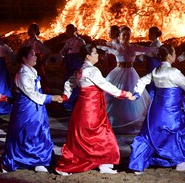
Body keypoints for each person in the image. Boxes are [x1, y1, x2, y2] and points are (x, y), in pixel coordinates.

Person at [129, 44, 185, 174]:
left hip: (157, 109)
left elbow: (142, 81)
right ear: (169, 56)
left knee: (150, 133)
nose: (175, 55)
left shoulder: (156, 71)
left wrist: (136, 94)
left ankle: (138, 164)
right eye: (174, 52)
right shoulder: (174, 72)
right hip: (171, 110)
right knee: (180, 131)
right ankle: (180, 163)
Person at [55, 44, 135, 175]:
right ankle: (103, 162)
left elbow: (69, 82)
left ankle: (103, 162)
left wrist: (65, 95)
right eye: (95, 53)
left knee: (86, 135)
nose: (97, 55)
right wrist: (124, 93)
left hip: (85, 106)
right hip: (91, 108)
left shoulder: (81, 70)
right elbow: (105, 85)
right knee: (101, 134)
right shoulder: (92, 70)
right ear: (88, 56)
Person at [2, 46, 64, 173]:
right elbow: (31, 93)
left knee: (39, 130)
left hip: (36, 107)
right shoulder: (22, 74)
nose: (36, 56)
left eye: (35, 54)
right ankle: (24, 159)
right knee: (27, 132)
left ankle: (39, 160)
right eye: (32, 55)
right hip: (27, 108)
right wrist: (51, 98)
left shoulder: (32, 71)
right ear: (24, 58)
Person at [97, 25, 155, 134]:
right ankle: (114, 118)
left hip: (131, 73)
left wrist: (159, 48)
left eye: (128, 34)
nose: (126, 36)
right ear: (120, 35)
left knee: (132, 94)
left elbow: (145, 49)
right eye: (124, 34)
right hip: (118, 72)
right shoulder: (117, 46)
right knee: (114, 94)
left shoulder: (133, 47)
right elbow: (107, 46)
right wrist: (101, 44)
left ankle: (129, 118)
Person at [58, 24, 86, 111]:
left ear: (75, 30)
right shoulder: (68, 41)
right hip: (69, 64)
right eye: (67, 30)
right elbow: (63, 51)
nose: (67, 32)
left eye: (69, 30)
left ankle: (72, 103)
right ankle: (68, 102)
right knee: (67, 82)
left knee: (74, 83)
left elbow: (84, 52)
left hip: (76, 64)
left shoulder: (80, 41)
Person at [21, 23, 52, 94]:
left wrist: (44, 61)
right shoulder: (27, 42)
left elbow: (47, 52)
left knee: (38, 79)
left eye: (30, 29)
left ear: (35, 31)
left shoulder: (37, 42)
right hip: (27, 63)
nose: (28, 31)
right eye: (28, 29)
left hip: (36, 64)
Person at [144, 26, 163, 99]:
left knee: (152, 83)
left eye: (150, 34)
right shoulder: (154, 43)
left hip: (154, 65)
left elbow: (157, 56)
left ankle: (151, 100)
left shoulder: (156, 44)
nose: (148, 35)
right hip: (151, 65)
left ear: (154, 34)